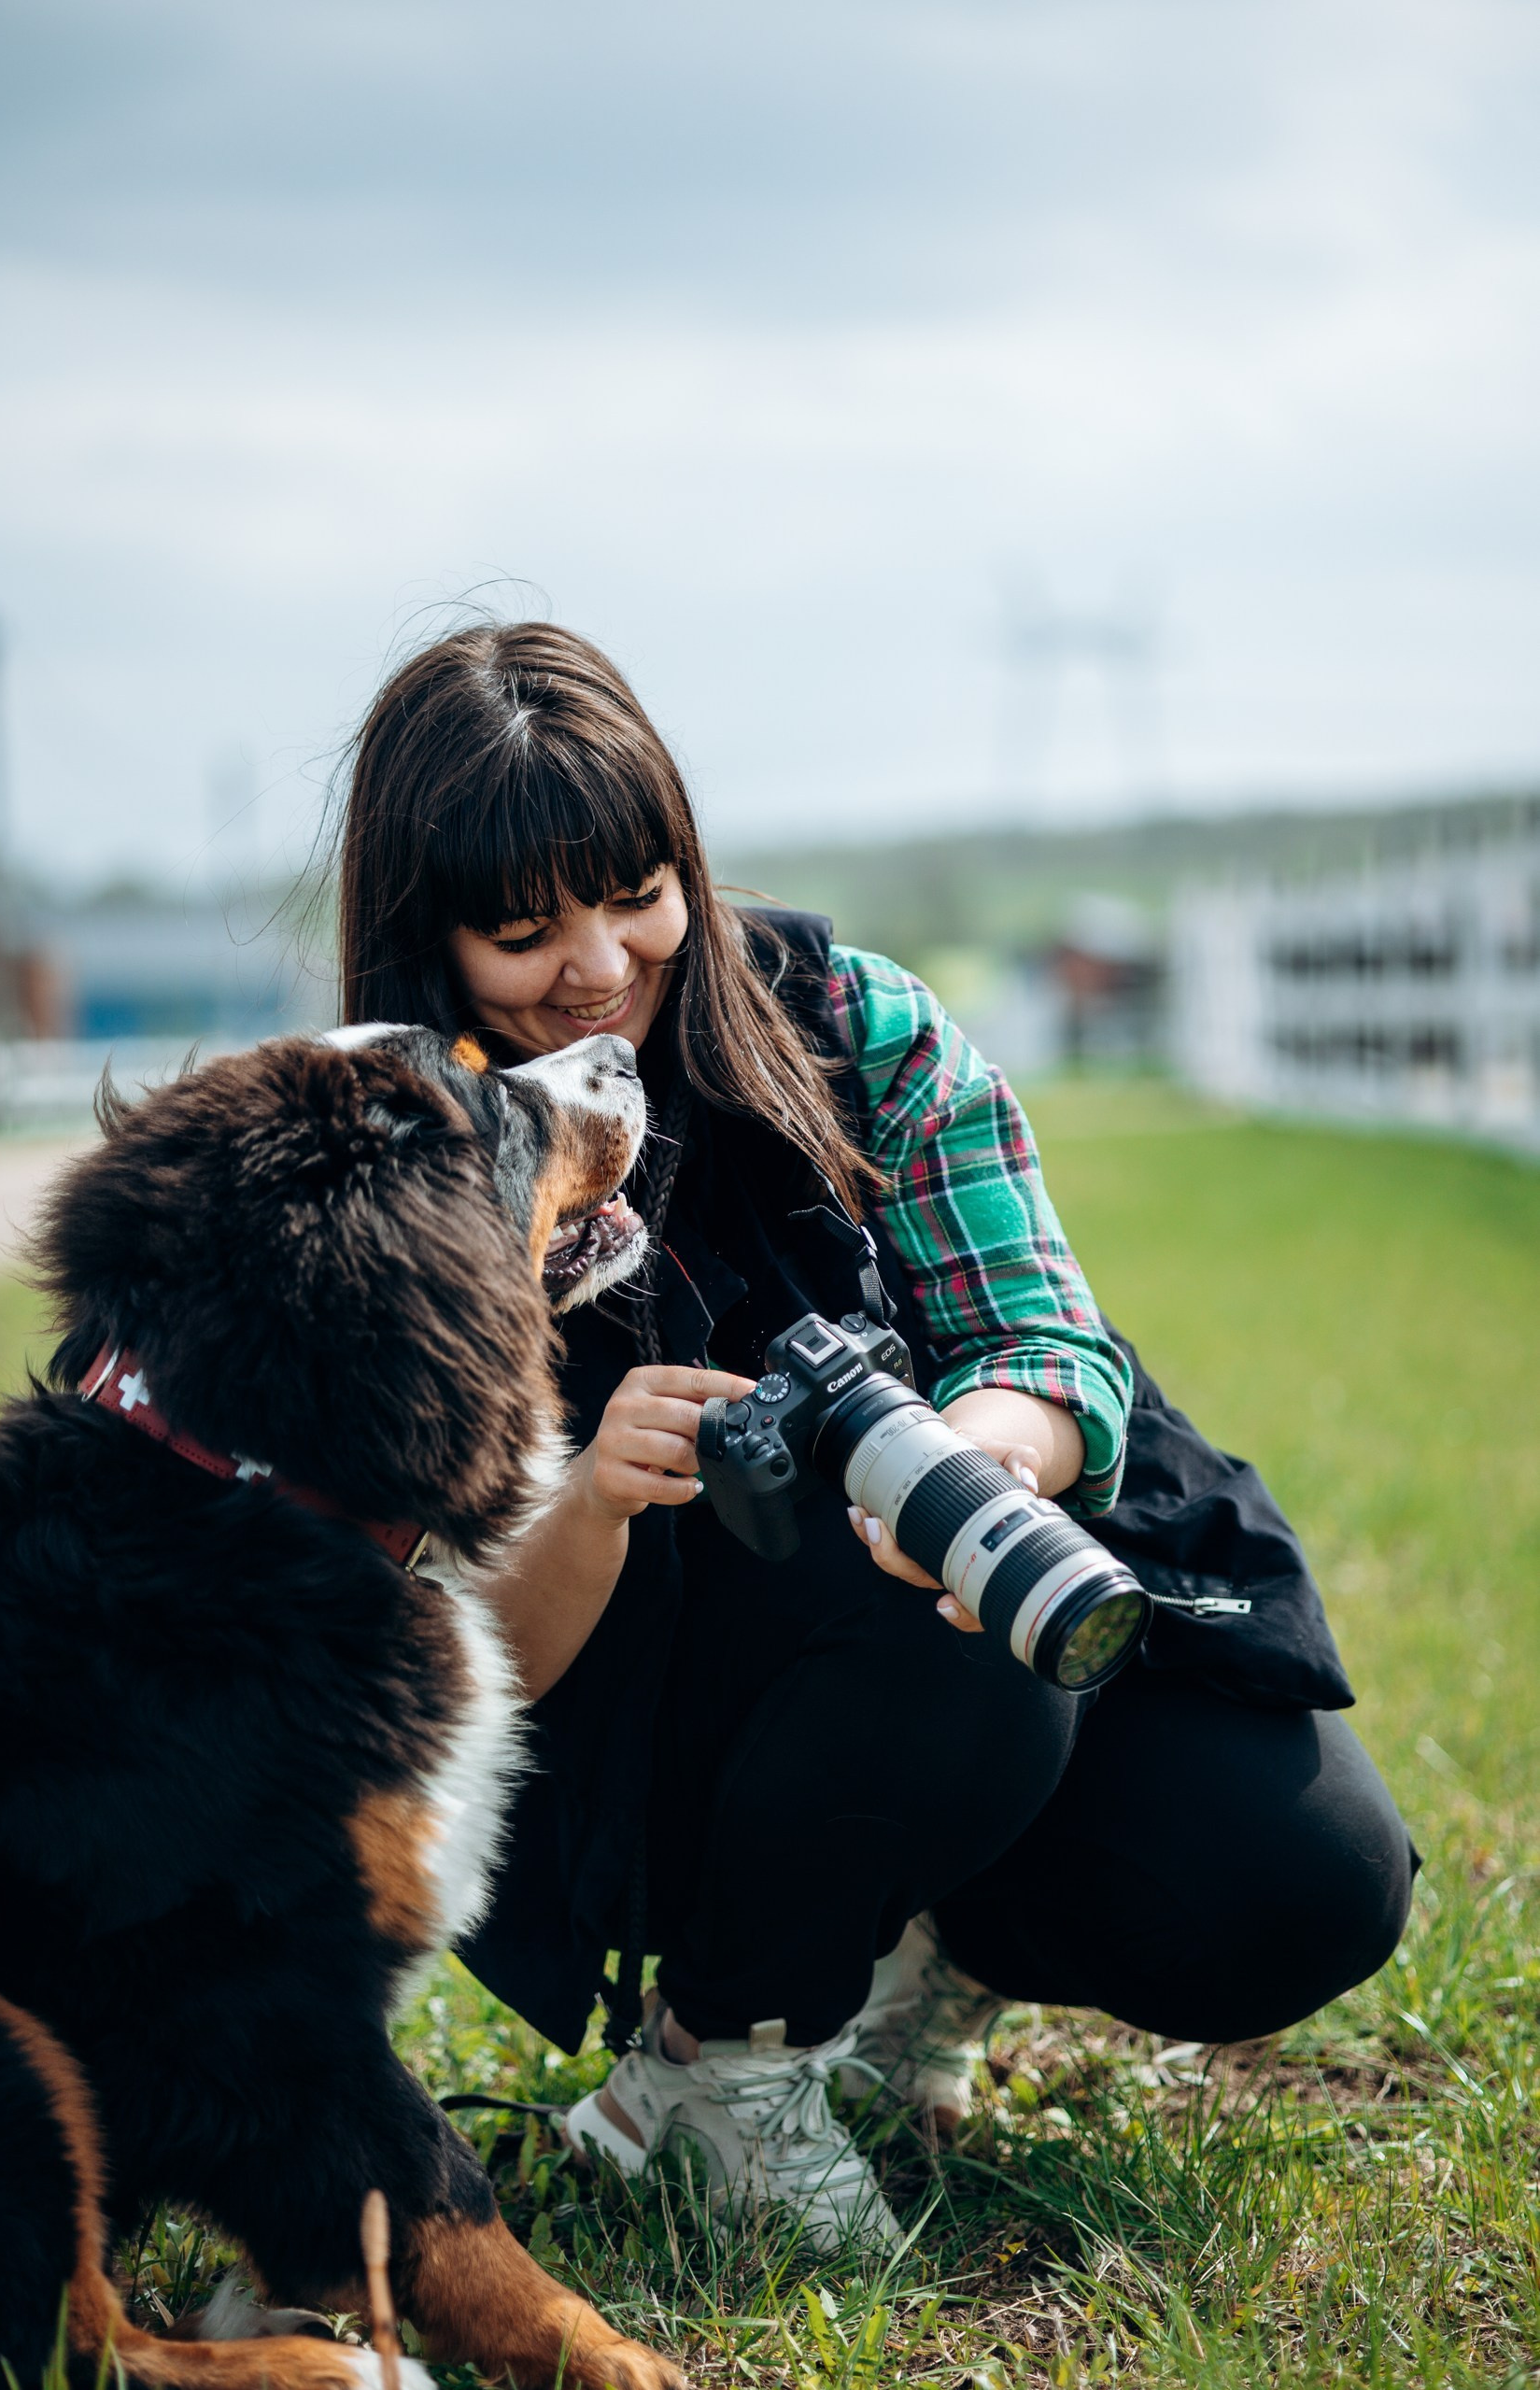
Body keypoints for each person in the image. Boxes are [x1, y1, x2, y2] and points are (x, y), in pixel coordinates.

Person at [337, 621, 1415, 2254]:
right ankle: (713, 2066)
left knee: (1300, 1882)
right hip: (635, 1727)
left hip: (934, 1654)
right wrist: (594, 1506)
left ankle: (929, 1956)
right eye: (521, 928)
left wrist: (978, 1457)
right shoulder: (379, 1164)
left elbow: (1044, 1336)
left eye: (637, 889)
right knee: (940, 1646)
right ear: (427, 944)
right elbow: (415, 1664)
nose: (602, 963)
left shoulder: (850, 1022)